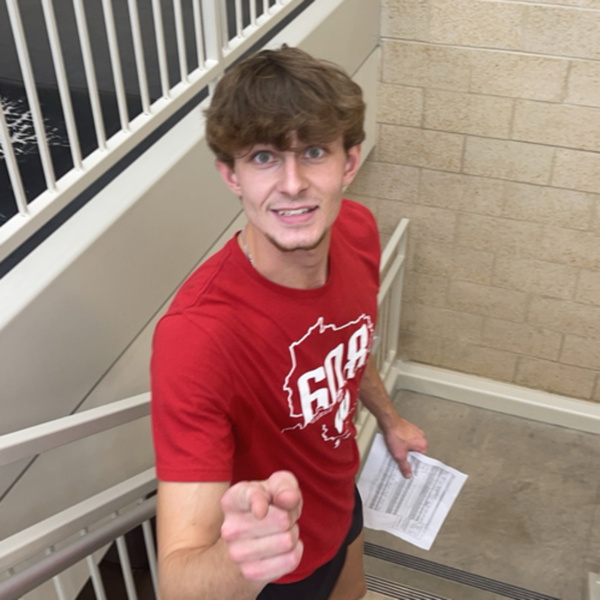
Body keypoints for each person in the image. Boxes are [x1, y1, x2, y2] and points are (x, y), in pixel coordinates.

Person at [150, 45, 428, 600]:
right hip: (272, 569)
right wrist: (243, 558)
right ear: (231, 175)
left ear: (349, 162)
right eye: (263, 157)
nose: (294, 183)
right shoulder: (196, 338)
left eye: (314, 152)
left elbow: (348, 346)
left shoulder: (357, 230)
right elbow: (179, 584)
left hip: (340, 501)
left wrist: (390, 419)